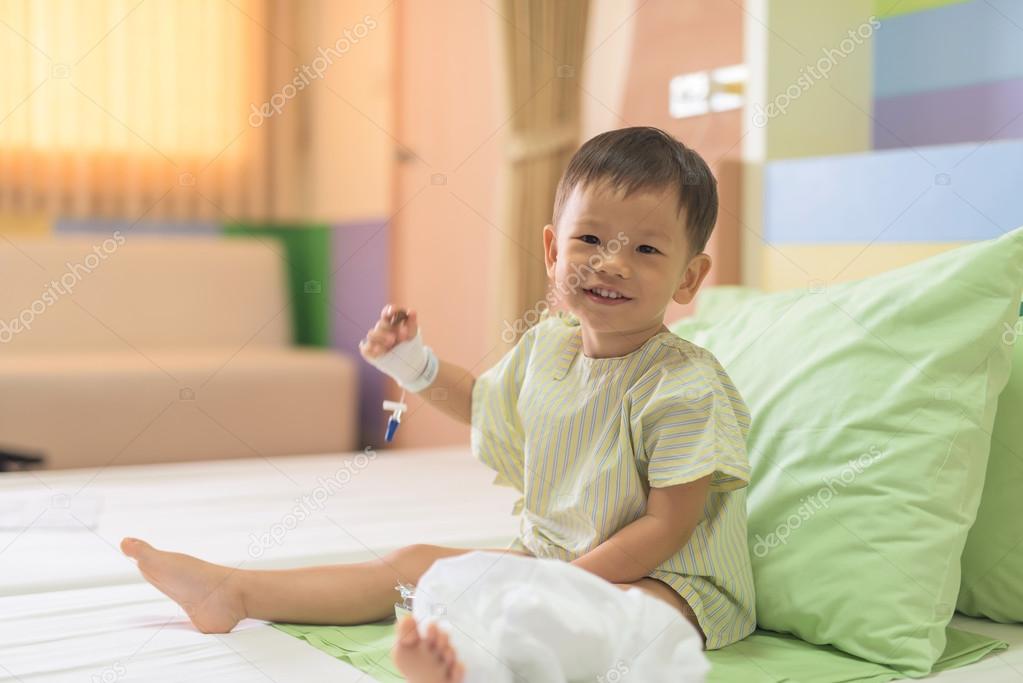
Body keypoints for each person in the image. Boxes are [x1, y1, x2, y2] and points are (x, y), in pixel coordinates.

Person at [120, 126, 755, 681]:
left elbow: (666, 525)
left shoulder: (683, 386)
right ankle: (233, 592)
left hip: (673, 584)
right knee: (412, 564)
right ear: (553, 251)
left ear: (690, 278)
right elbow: (487, 404)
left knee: (625, 625)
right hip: (556, 562)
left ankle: (472, 666)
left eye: (645, 249)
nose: (610, 265)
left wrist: (553, 587)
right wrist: (411, 363)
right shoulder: (548, 350)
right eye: (590, 239)